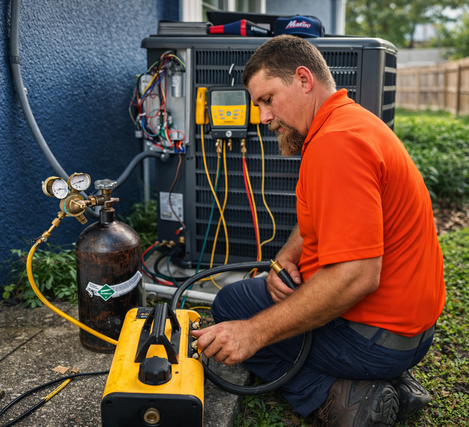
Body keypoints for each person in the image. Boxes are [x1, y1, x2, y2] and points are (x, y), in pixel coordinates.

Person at [190, 35, 446, 427]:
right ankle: (392, 379)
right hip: (410, 333)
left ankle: (342, 398)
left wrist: (253, 333)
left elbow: (357, 275)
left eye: (267, 99)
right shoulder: (352, 122)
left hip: (376, 340)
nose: (262, 117)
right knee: (246, 295)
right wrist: (287, 255)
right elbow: (324, 218)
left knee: (232, 308)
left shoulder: (336, 145)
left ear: (304, 79)